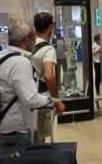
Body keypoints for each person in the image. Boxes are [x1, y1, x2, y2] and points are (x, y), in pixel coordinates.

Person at [0, 21, 64, 158]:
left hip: (0, 127)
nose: (34, 41)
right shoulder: (20, 62)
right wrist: (53, 100)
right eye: (33, 37)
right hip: (17, 131)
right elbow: (30, 98)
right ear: (26, 40)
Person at [31, 12, 58, 141]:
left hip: (26, 94)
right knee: (41, 136)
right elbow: (49, 76)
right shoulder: (48, 49)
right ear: (50, 28)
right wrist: (55, 98)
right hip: (41, 95)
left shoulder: (27, 46)